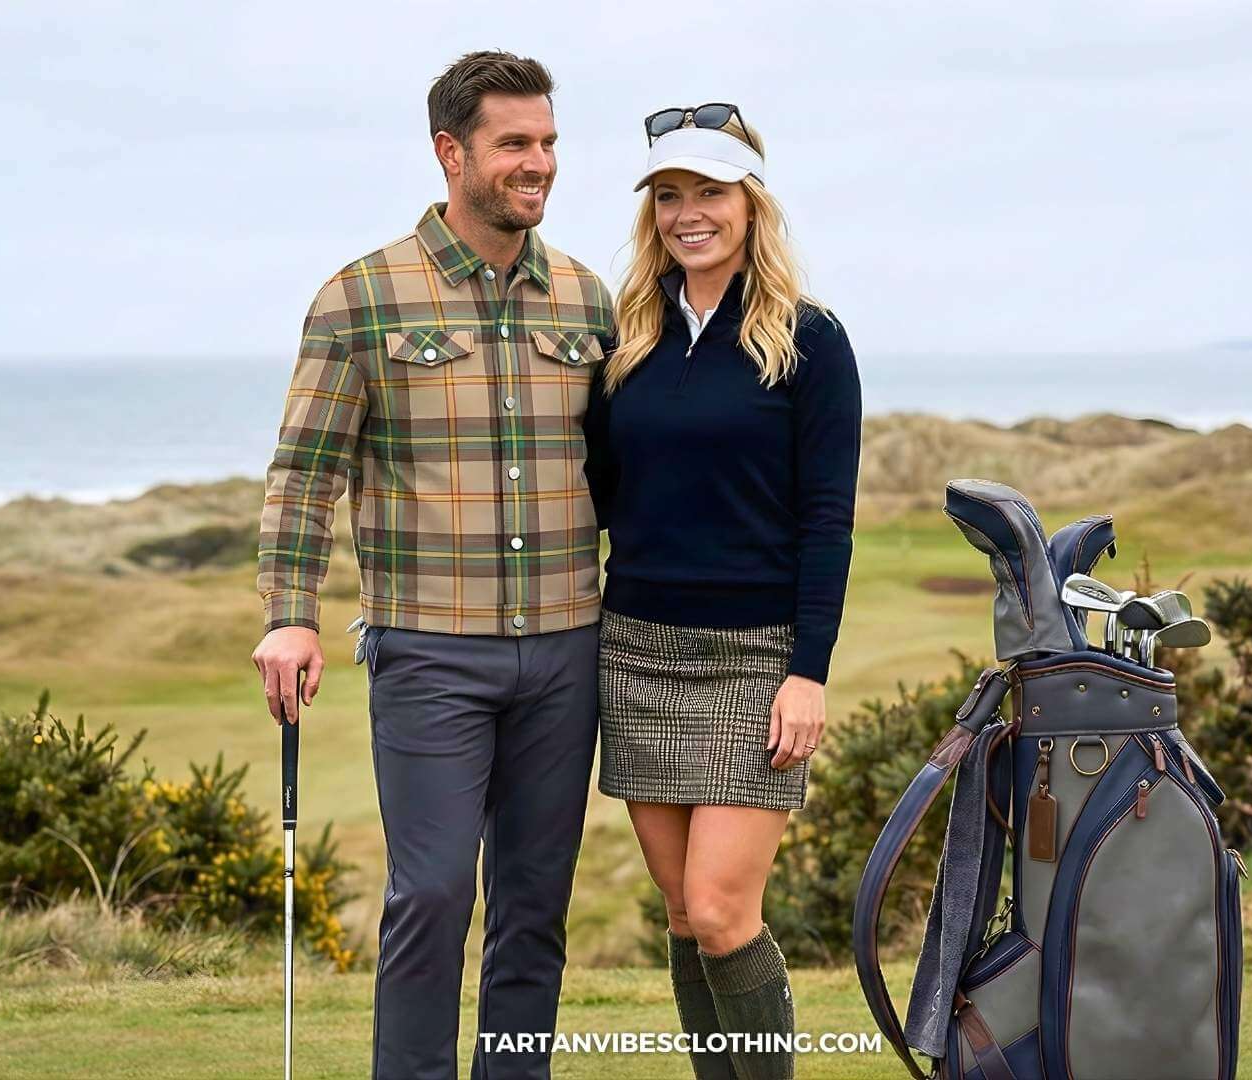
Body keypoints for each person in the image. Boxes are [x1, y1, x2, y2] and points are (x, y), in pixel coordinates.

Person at [248, 50, 613, 1080]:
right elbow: (303, 474)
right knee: (435, 893)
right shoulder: (360, 298)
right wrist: (291, 612)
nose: (537, 163)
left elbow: (631, 470)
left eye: (546, 143)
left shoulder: (588, 301)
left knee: (535, 907)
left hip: (565, 654)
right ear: (451, 152)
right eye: (514, 145)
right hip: (430, 657)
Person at [584, 104, 862, 1080]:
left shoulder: (810, 341)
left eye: (709, 192)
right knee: (681, 917)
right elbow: (596, 496)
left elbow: (828, 519)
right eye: (670, 195)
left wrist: (808, 673)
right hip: (638, 651)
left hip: (755, 658)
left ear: (751, 204)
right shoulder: (623, 340)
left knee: (720, 910)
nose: (688, 213)